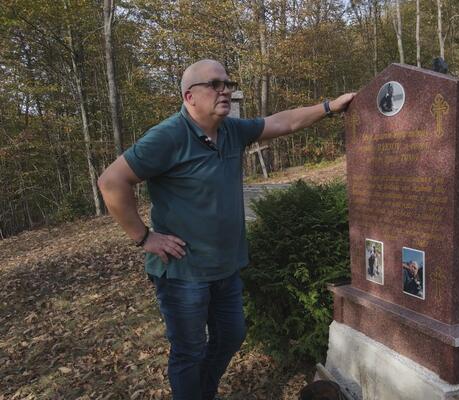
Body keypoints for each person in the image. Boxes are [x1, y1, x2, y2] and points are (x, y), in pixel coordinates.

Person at [98, 59, 355, 400]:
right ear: (189, 96)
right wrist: (144, 237)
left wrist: (329, 107)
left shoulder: (232, 131)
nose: (226, 91)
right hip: (184, 272)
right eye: (215, 84)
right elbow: (111, 181)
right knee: (189, 351)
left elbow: (284, 122)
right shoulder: (168, 136)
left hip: (226, 267)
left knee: (231, 336)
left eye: (228, 84)